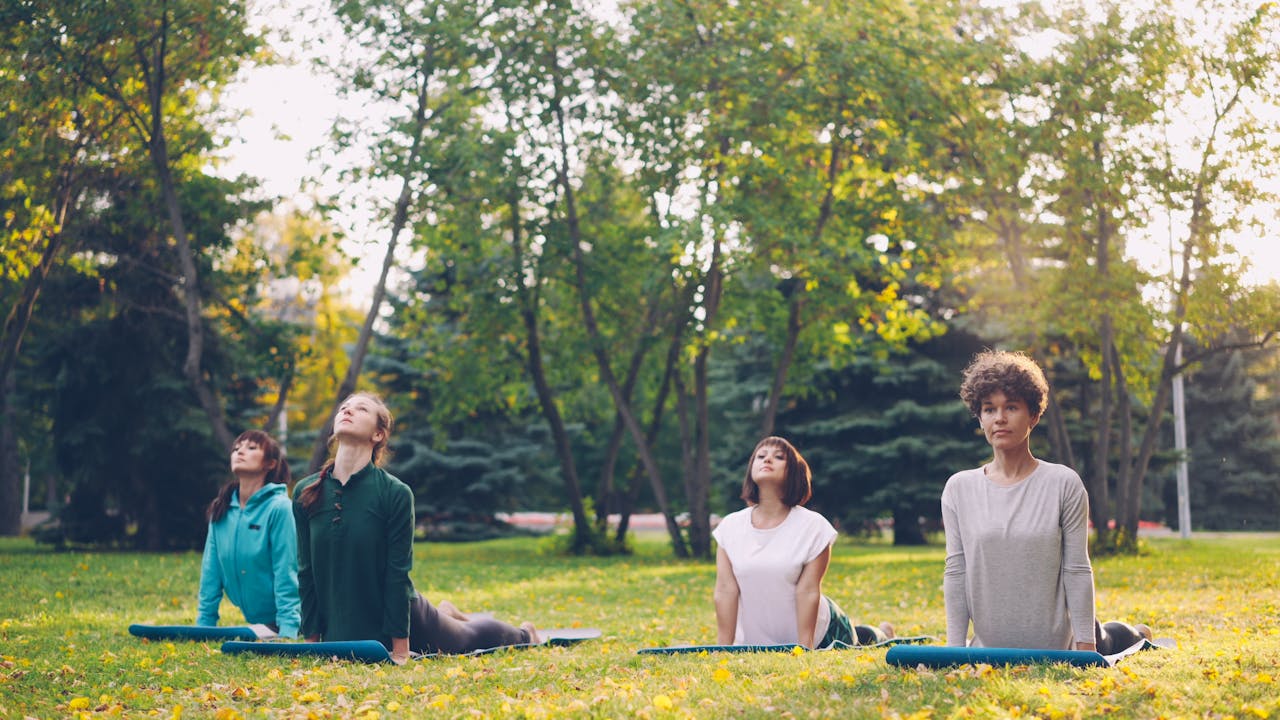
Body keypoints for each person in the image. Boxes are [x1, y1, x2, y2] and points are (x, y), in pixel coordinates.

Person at [293, 392, 539, 663]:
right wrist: (312, 644)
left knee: (468, 637)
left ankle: (525, 634)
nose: (347, 411)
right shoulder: (306, 492)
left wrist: (400, 650)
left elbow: (397, 575)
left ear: (378, 435)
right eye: (344, 408)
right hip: (341, 629)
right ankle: (447, 610)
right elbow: (307, 573)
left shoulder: (395, 493)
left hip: (407, 621)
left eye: (361, 409)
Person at [942, 350, 1153, 653]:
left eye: (1011, 407)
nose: (999, 418)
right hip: (989, 646)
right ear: (980, 416)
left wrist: (1085, 645)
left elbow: (1077, 568)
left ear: (1034, 416)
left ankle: (1137, 633)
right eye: (989, 409)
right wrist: (952, 652)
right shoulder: (958, 489)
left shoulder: (1063, 484)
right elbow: (956, 571)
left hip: (1064, 642)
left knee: (1109, 637)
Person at [713, 436, 895, 649]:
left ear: (793, 473)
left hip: (821, 630)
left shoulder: (813, 526)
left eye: (779, 457)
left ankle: (884, 633)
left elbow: (808, 590)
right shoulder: (730, 527)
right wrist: (722, 649)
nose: (767, 459)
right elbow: (726, 590)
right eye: (761, 456)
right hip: (757, 638)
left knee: (859, 640)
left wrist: (805, 648)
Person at [197, 430, 300, 638]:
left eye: (251, 448)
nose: (240, 451)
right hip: (262, 623)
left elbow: (286, 570)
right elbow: (211, 571)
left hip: (296, 620)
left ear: (270, 463)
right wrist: (204, 626)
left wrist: (289, 631)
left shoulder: (279, 508)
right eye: (236, 448)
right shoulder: (222, 508)